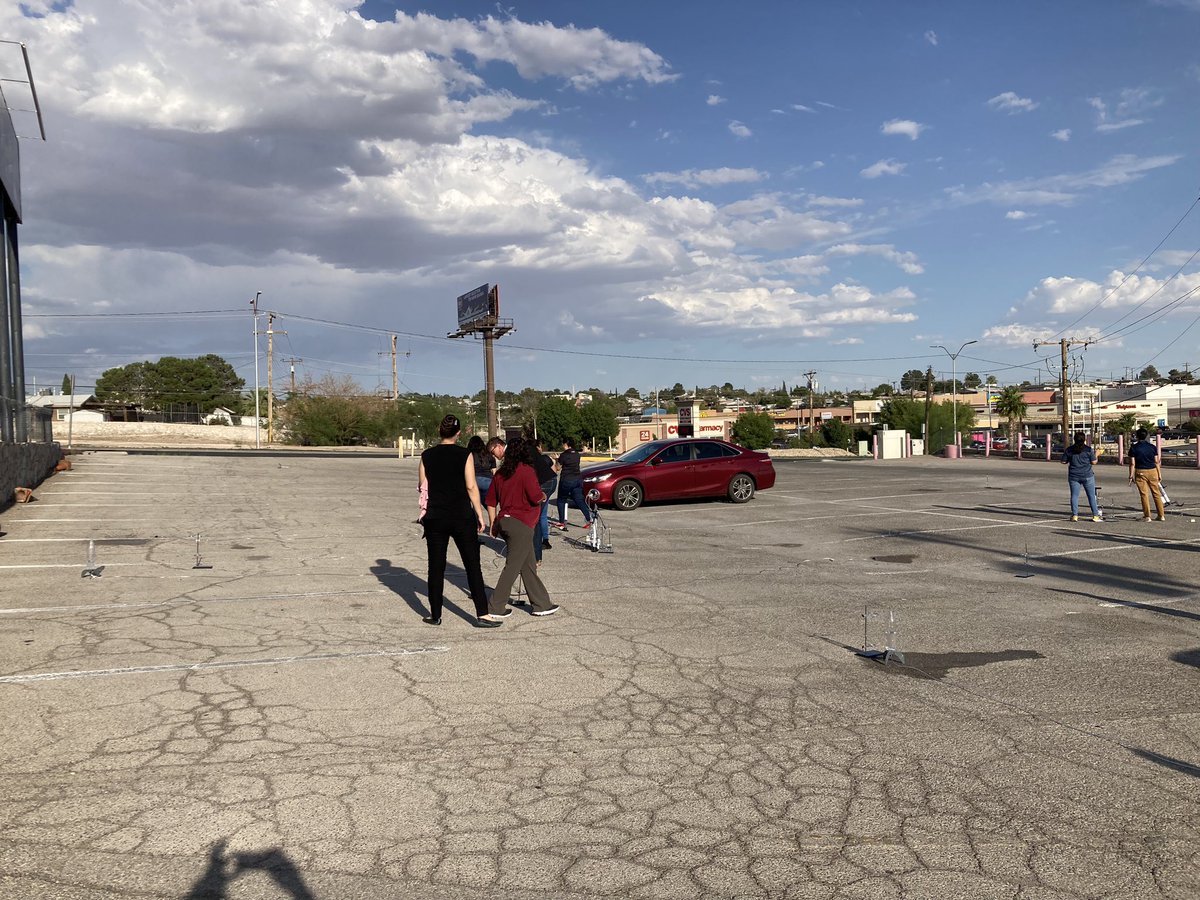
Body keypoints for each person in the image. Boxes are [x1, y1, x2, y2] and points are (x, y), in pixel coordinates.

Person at [417, 415, 499, 628]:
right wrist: (480, 515)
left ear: (439, 431)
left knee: (436, 566)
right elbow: (471, 486)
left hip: (435, 516)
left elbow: (422, 485)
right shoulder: (465, 454)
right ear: (458, 433)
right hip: (461, 515)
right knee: (472, 565)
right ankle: (483, 613)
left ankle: (435, 614)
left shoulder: (427, 455)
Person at [484, 437, 558, 620]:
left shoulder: (500, 474)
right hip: (522, 524)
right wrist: (542, 495)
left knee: (528, 565)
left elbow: (491, 501)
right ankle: (495, 606)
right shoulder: (526, 471)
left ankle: (541, 604)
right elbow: (534, 497)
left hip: (505, 522)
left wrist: (493, 524)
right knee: (513, 567)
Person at [553, 436, 594, 531]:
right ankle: (589, 519)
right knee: (579, 500)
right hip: (577, 479)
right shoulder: (577, 454)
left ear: (565, 444)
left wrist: (556, 459)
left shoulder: (564, 455)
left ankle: (562, 522)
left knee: (561, 500)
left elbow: (558, 468)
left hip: (566, 480)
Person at [1061, 432, 1101, 522]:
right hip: (1087, 475)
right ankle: (1095, 515)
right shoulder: (1088, 449)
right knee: (1091, 496)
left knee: (1074, 496)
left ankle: (1075, 515)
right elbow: (1094, 462)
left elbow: (1063, 461)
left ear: (1074, 440)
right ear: (1084, 440)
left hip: (1074, 475)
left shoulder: (1069, 450)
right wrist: (1097, 454)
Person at [1128, 427, 1165, 522]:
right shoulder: (1152, 447)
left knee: (1144, 494)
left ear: (1137, 436)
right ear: (1146, 436)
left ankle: (1147, 516)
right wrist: (1159, 473)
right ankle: (1161, 515)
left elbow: (1132, 463)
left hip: (1141, 471)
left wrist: (1131, 475)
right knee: (1156, 493)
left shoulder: (1134, 448)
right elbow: (1157, 461)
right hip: (1153, 471)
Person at [532, 438, 558, 559]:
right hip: (551, 484)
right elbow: (555, 471)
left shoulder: (532, 460)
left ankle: (538, 542)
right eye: (540, 446)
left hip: (542, 486)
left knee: (538, 515)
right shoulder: (546, 458)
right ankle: (545, 540)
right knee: (543, 514)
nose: (541, 449)